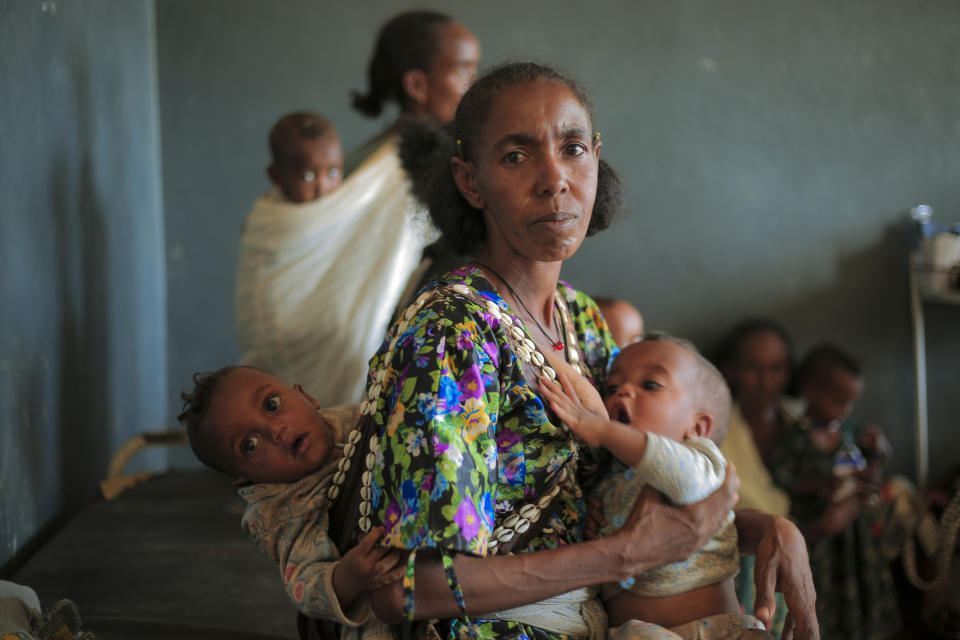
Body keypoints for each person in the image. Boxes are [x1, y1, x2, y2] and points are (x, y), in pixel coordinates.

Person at [320, 62, 818, 640]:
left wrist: (770, 531)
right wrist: (623, 557)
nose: (554, 179)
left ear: (596, 159)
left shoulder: (580, 320)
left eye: (573, 148)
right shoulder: (453, 334)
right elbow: (406, 589)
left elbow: (632, 488)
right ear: (469, 180)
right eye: (515, 156)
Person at [235, 11, 481, 408]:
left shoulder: (386, 156)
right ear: (417, 84)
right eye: (462, 71)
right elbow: (301, 233)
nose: (473, 85)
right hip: (334, 340)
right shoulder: (410, 166)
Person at [540, 334, 772, 639]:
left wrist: (602, 429)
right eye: (611, 388)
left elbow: (678, 475)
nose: (623, 391)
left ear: (698, 427)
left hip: (719, 631)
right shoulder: (610, 478)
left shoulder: (701, 459)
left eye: (650, 385)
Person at [177, 365, 402, 636]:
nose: (275, 431)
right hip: (376, 609)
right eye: (249, 444)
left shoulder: (356, 418)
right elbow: (304, 584)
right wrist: (348, 578)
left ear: (306, 397)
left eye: (271, 405)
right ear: (246, 479)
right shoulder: (283, 511)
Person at [771, 345, 901, 640]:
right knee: (824, 598)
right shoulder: (795, 437)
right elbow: (782, 477)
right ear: (810, 391)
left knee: (858, 590)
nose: (845, 409)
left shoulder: (850, 432)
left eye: (850, 402)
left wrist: (874, 452)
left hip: (855, 535)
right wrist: (820, 485)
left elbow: (867, 464)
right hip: (820, 538)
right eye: (838, 400)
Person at [266, 112, 344, 204]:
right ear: (277, 176)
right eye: (308, 176)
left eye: (332, 172)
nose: (323, 188)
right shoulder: (272, 216)